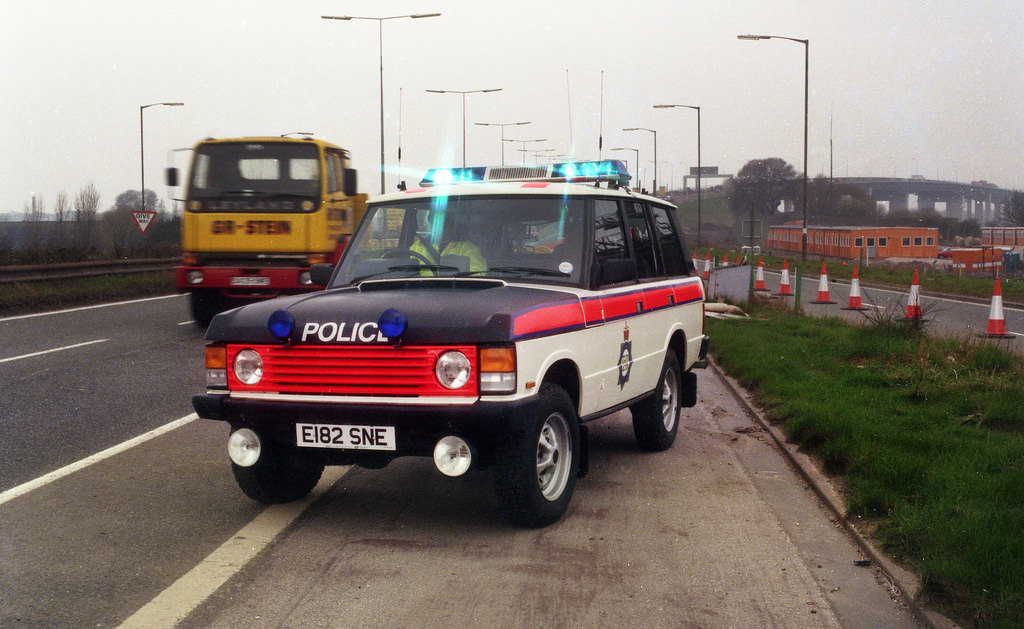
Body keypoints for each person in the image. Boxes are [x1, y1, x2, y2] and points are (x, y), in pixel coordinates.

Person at [410, 217, 487, 272]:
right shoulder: (418, 246)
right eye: (435, 224)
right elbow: (407, 268)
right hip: (420, 287)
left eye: (443, 225)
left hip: (453, 289)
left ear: (452, 227)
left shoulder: (467, 248)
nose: (438, 228)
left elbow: (477, 273)